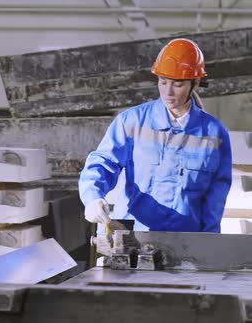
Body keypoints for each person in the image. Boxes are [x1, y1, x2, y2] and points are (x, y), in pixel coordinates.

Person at [79, 38, 232, 232]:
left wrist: (209, 241)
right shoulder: (132, 122)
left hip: (187, 239)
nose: (167, 91)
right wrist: (92, 197)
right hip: (134, 236)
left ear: (195, 83)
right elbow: (102, 163)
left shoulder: (214, 133)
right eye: (163, 81)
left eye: (177, 85)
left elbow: (216, 194)